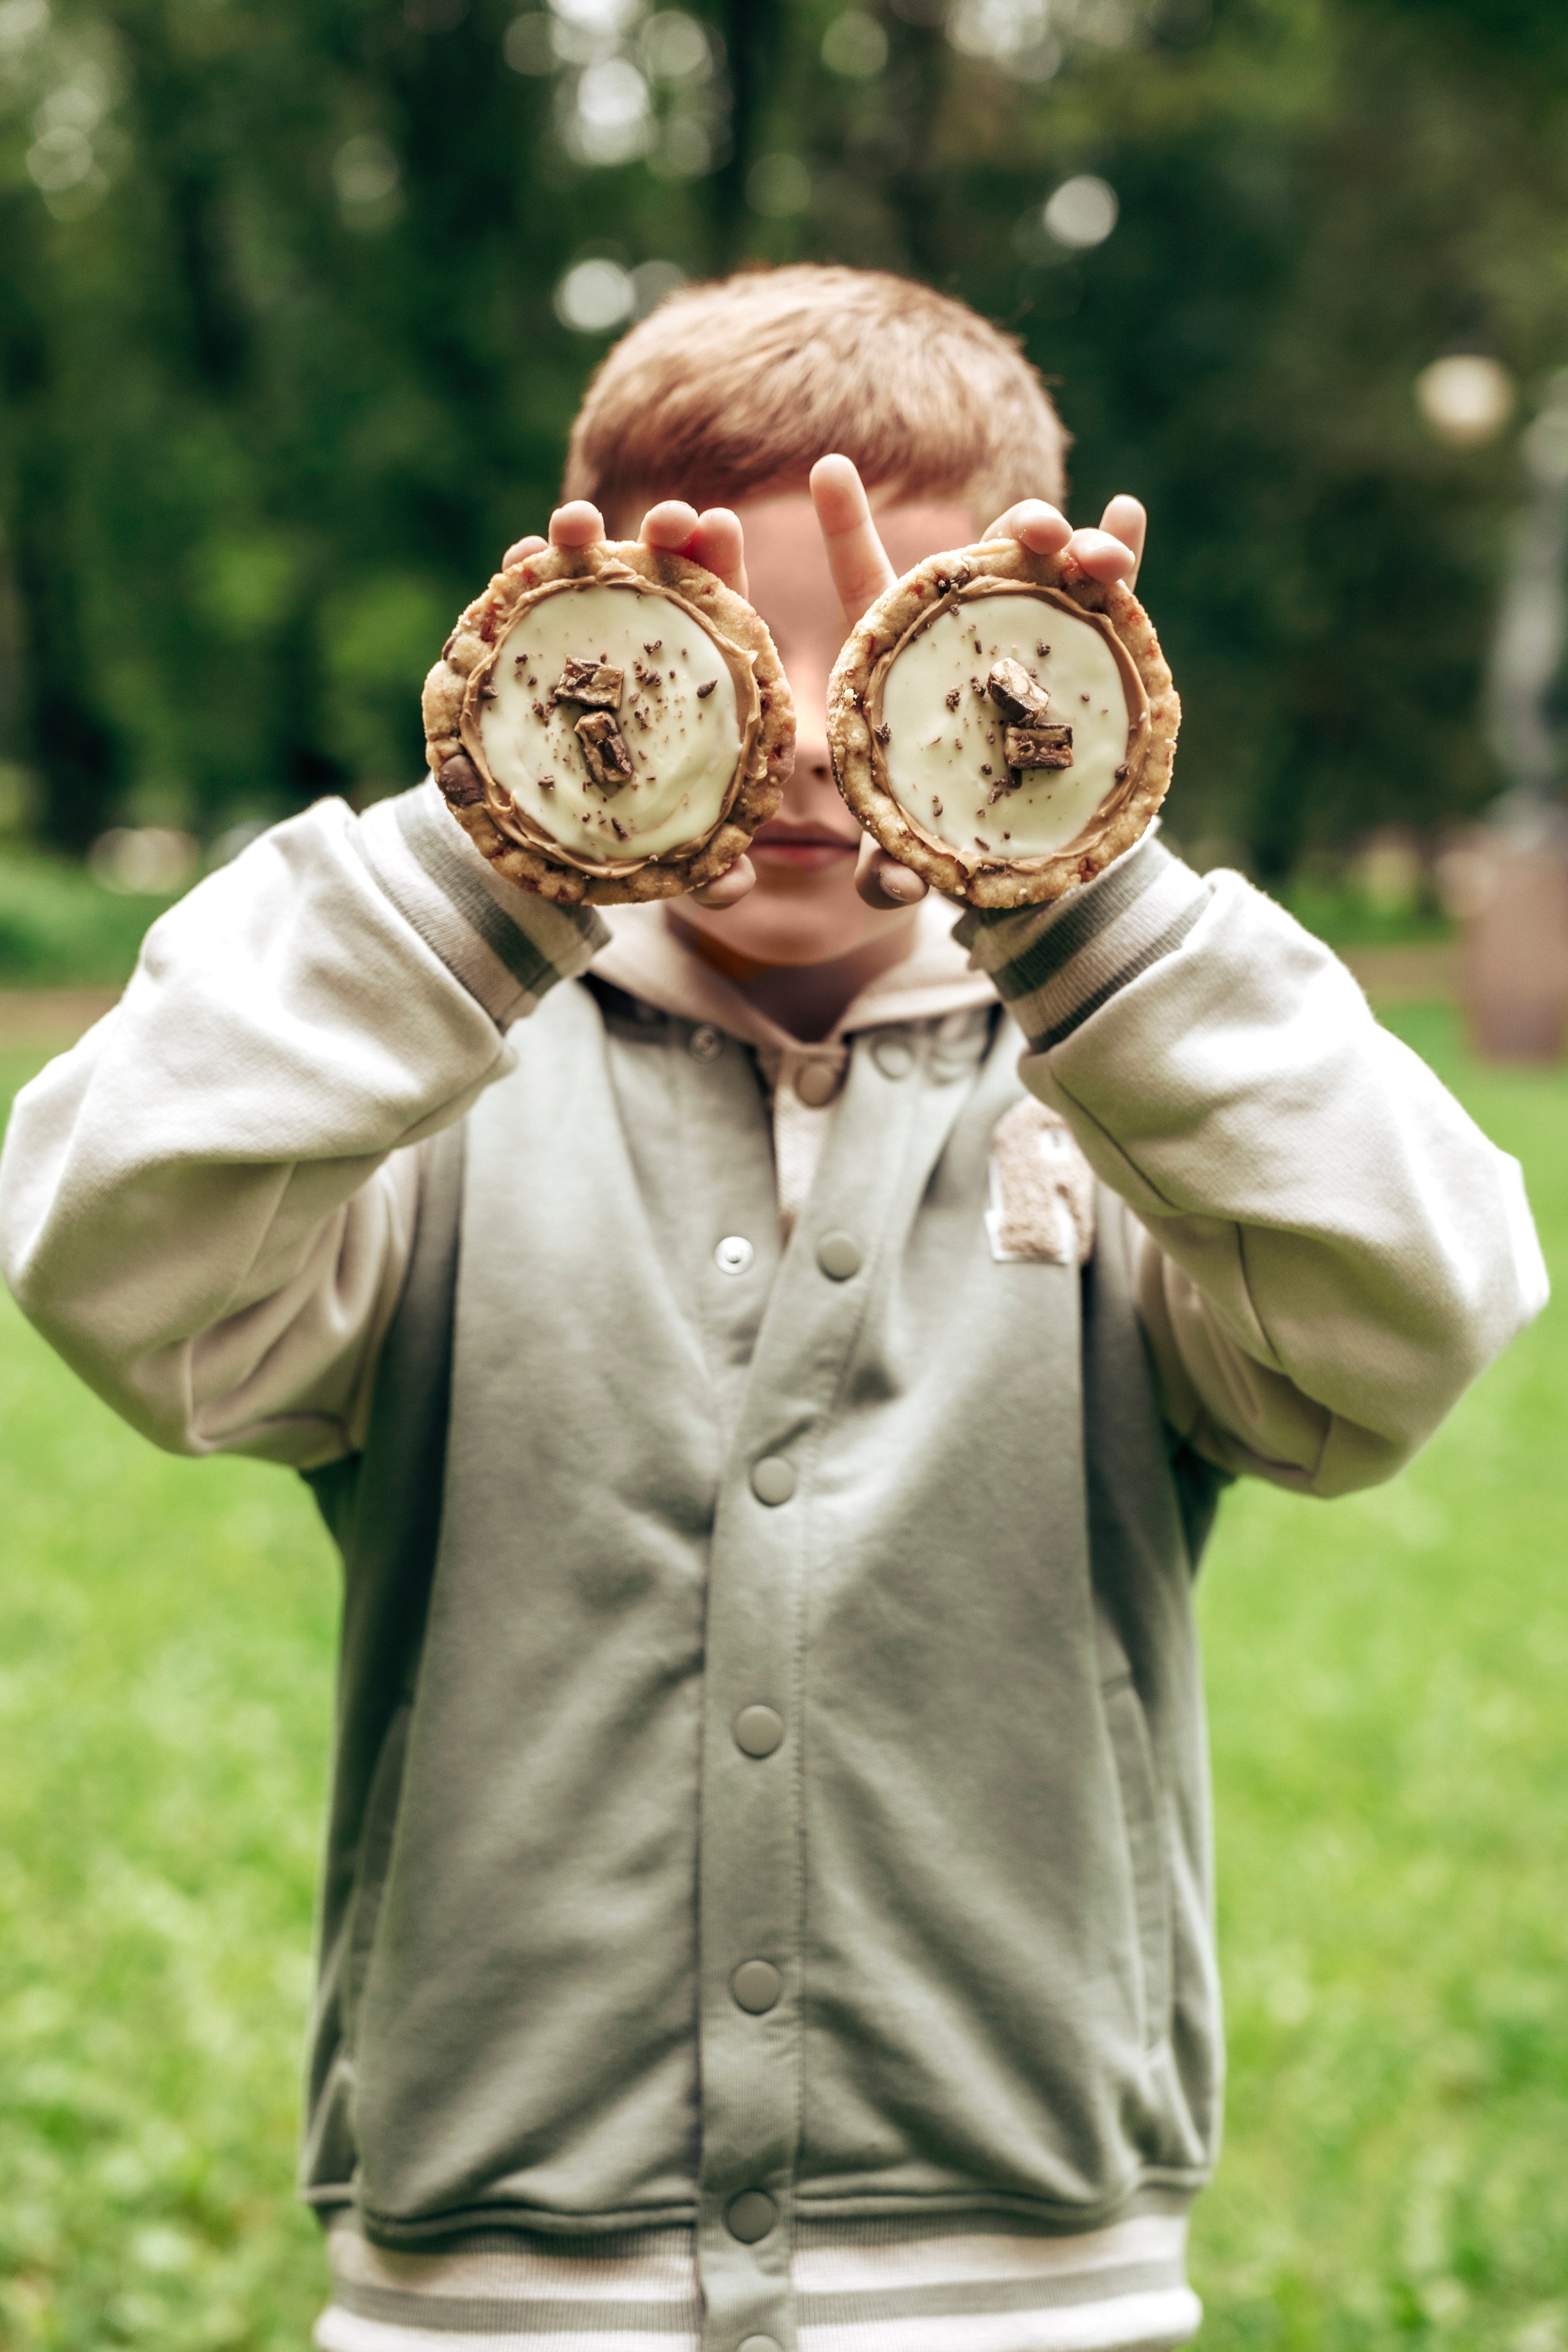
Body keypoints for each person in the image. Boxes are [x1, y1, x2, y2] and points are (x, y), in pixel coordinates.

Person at [0, 266, 1547, 2352]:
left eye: (895, 638)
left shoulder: (1135, 1102)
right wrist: (511, 839)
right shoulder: (434, 1090)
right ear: (599, 622)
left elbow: (1426, 1303)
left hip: (1022, 2265)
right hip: (496, 2271)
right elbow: (104, 1243)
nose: (812, 737)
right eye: (733, 637)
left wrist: (1076, 878)